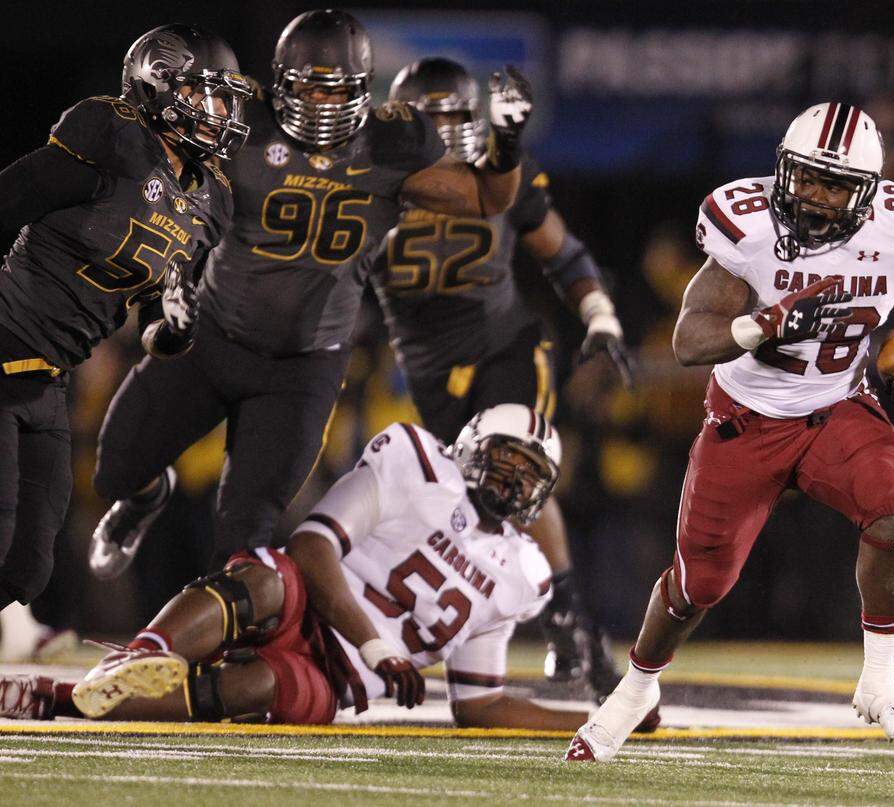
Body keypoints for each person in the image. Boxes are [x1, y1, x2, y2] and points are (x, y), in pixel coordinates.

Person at [564, 103, 894, 761]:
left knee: (892, 502)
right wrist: (763, 325)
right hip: (747, 418)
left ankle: (880, 677)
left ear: (867, 194)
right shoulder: (749, 226)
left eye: (832, 183)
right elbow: (689, 339)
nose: (812, 194)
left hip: (837, 406)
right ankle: (635, 689)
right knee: (699, 585)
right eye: (803, 176)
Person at [89, 10, 535, 578]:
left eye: (338, 89)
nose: (324, 103)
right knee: (116, 469)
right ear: (281, 84)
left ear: (363, 89)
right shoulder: (243, 120)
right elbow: (161, 163)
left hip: (302, 368)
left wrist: (508, 144)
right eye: (310, 88)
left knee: (244, 537)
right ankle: (144, 500)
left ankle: (226, 631)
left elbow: (486, 198)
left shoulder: (394, 143)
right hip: (212, 338)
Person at [1, 405, 659, 734]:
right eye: (506, 459)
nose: (514, 481)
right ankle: (142, 655)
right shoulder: (419, 463)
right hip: (311, 600)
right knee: (261, 579)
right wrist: (377, 643)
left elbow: (479, 702)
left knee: (255, 687)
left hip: (338, 677)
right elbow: (314, 545)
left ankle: (58, 699)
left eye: (529, 474)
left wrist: (599, 719)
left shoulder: (521, 572)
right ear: (470, 447)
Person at [376, 58, 633, 699]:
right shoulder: (370, 178)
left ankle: (567, 619)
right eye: (428, 118)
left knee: (513, 465)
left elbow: (562, 252)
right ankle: (478, 623)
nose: (442, 131)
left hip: (503, 346)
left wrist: (600, 316)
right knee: (460, 501)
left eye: (453, 116)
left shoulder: (500, 174)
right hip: (428, 369)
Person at [0, 24, 250, 611]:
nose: (218, 112)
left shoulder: (210, 201)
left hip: (49, 379)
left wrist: (178, 327)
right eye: (202, 94)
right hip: (5, 342)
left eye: (224, 99)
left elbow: (155, 329)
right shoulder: (113, 138)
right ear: (157, 84)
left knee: (27, 569)